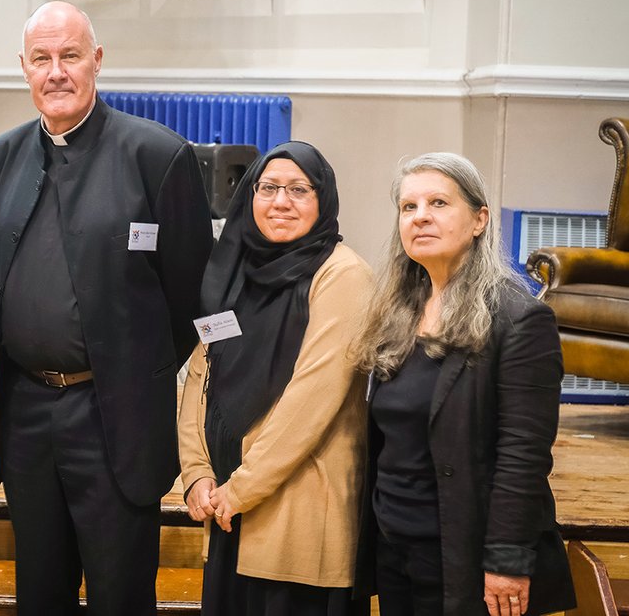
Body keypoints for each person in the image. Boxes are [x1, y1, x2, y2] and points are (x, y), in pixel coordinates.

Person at [0, 1, 213, 615]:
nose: (56, 72)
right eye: (41, 59)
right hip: (27, 413)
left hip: (114, 417)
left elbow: (192, 294)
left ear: (97, 61)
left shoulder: (158, 156)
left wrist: (134, 370)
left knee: (120, 595)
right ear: (24, 68)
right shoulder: (0, 156)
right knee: (39, 592)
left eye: (70, 56)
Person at [353, 152, 576, 616]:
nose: (421, 218)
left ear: (479, 219)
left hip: (463, 551)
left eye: (438, 203)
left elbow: (524, 455)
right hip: (394, 544)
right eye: (408, 207)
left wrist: (508, 560)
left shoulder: (519, 320)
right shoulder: (396, 310)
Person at [178, 141, 372, 615]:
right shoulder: (234, 271)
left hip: (296, 510)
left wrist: (240, 489)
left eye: (298, 190)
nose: (280, 202)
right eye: (268, 188)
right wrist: (196, 473)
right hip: (227, 510)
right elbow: (200, 373)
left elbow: (313, 399)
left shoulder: (343, 276)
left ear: (322, 200)